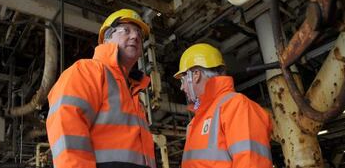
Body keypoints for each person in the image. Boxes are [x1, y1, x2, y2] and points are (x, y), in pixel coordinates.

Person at [46, 9, 156, 168]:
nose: (135, 36)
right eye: (126, 30)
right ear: (107, 39)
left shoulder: (134, 94)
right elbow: (67, 129)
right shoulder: (86, 71)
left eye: (139, 33)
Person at [174, 43, 273, 168]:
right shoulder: (195, 122)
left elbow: (251, 163)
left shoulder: (237, 105)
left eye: (182, 80)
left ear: (195, 75)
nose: (182, 87)